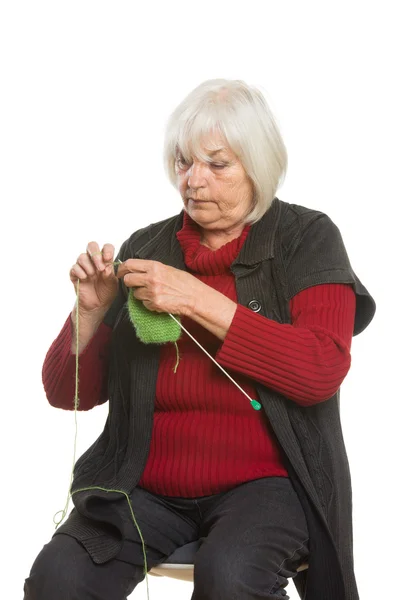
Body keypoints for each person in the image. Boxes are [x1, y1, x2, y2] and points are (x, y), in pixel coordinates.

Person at [24, 79, 376, 600]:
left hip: (268, 486)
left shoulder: (307, 238)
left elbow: (320, 370)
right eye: (184, 162)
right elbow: (66, 394)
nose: (193, 181)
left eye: (217, 164)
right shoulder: (148, 246)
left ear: (258, 167)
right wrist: (90, 312)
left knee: (230, 578)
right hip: (145, 487)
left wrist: (196, 299)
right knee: (58, 579)